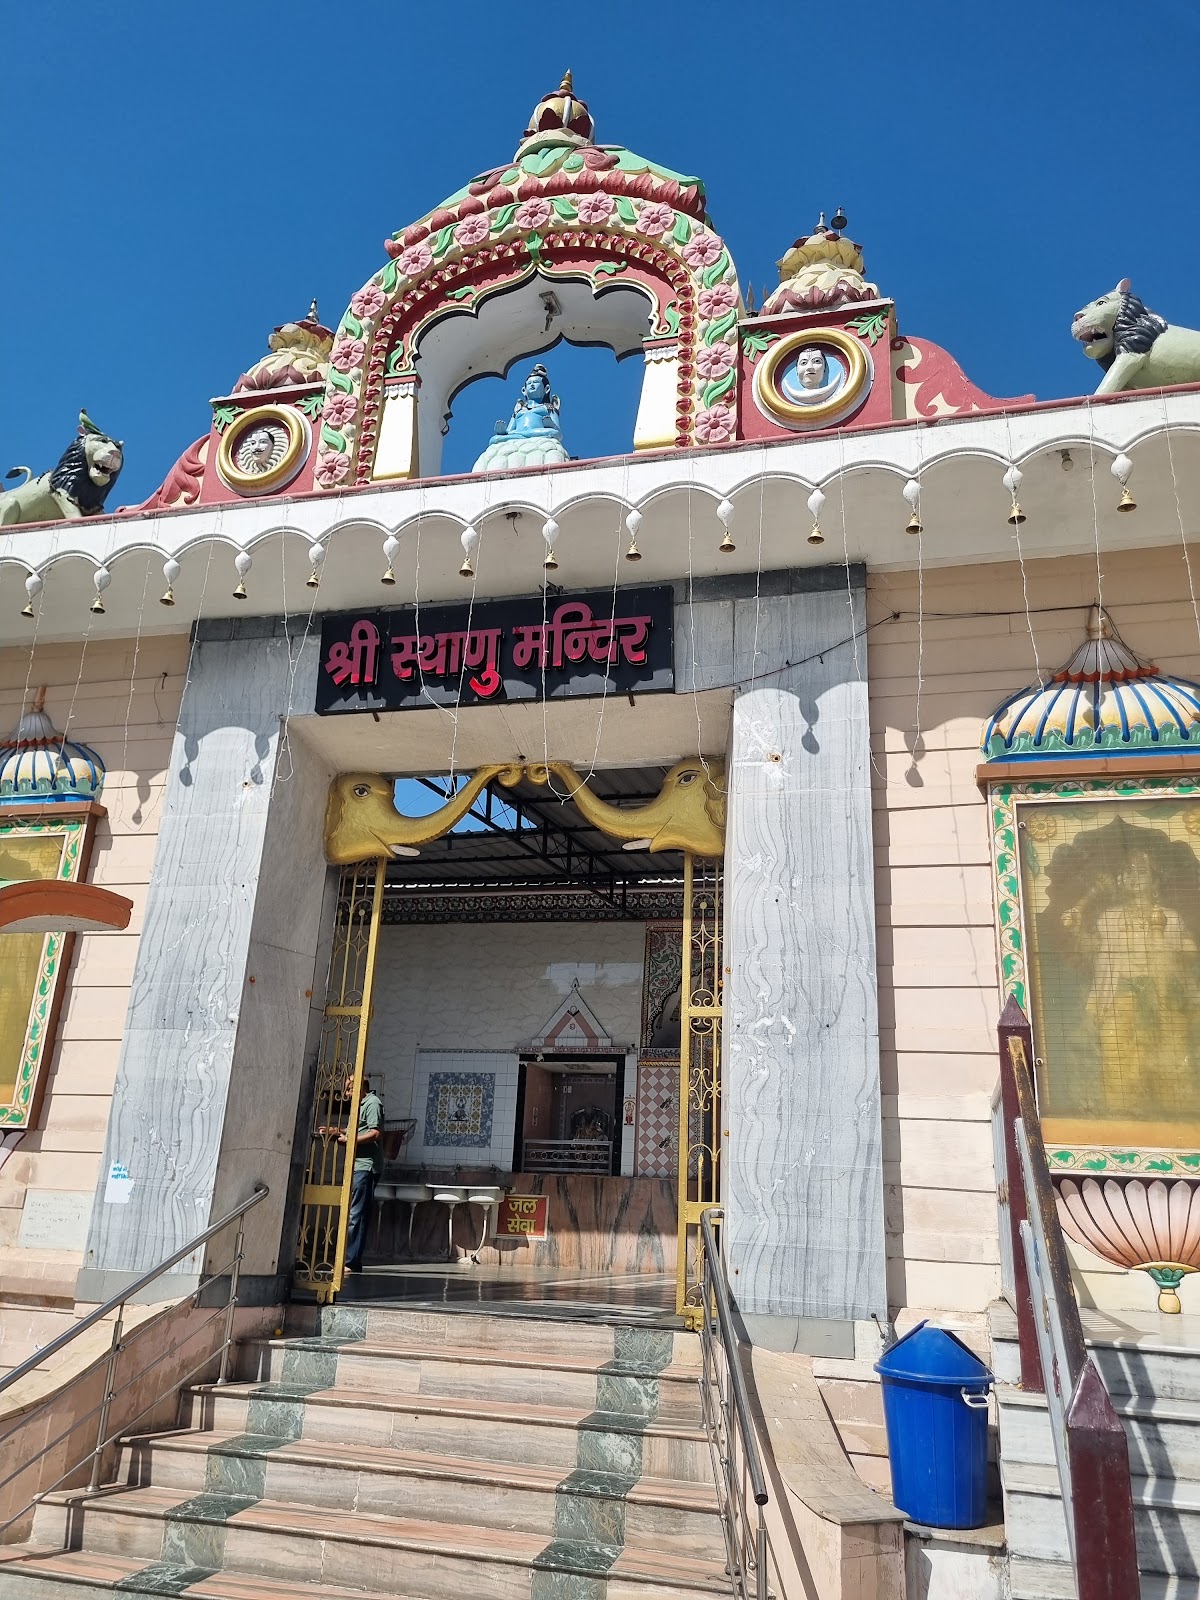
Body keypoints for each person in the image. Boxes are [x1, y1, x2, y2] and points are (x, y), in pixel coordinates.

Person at [336, 1073, 384, 1274]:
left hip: (366, 1166)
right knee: (353, 1212)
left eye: (349, 1089)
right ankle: (349, 1258)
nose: (346, 1093)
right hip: (356, 1165)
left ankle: (352, 1261)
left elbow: (375, 1132)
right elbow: (360, 1130)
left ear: (359, 1088)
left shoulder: (372, 1103)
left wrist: (350, 1140)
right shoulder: (359, 1105)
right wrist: (336, 1131)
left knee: (357, 1214)